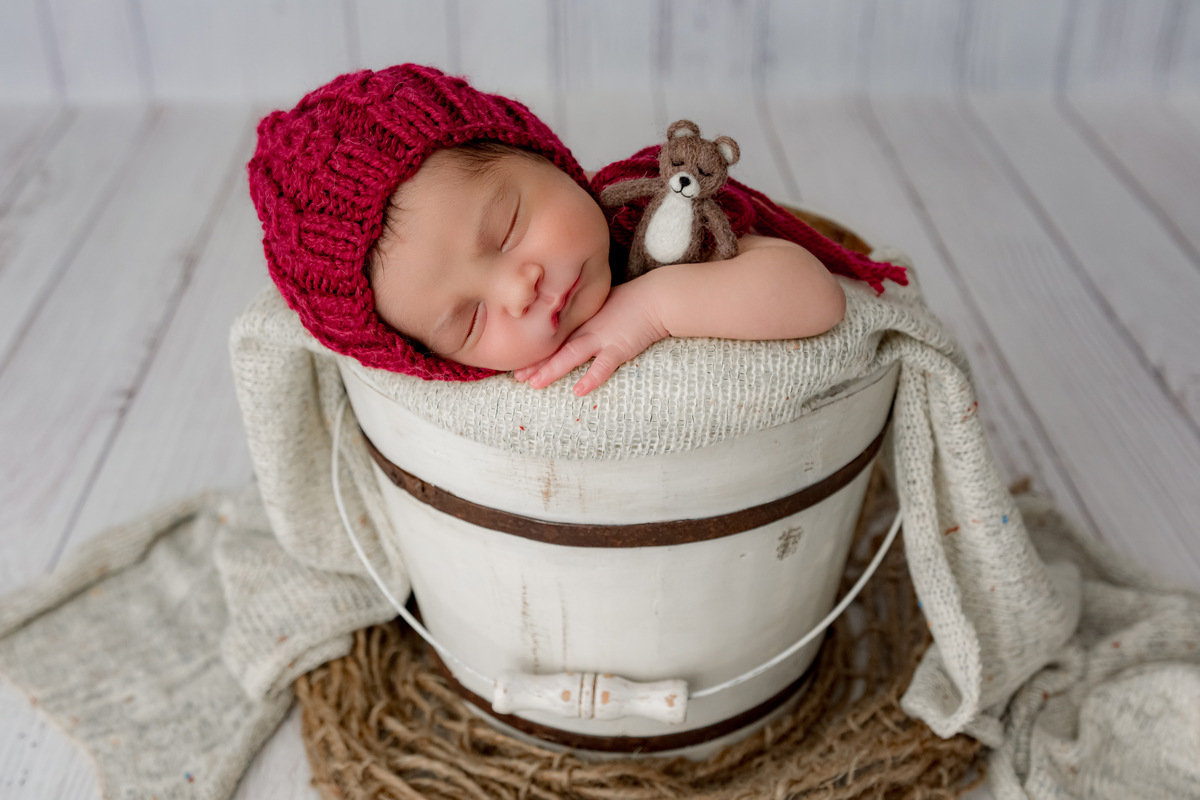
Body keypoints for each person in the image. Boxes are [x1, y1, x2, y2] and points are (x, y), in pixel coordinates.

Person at [248, 65, 902, 395]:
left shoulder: (652, 229)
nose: (518, 291)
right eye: (469, 322)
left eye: (506, 230)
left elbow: (814, 296)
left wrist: (654, 307)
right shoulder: (481, 414)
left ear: (545, 157)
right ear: (431, 365)